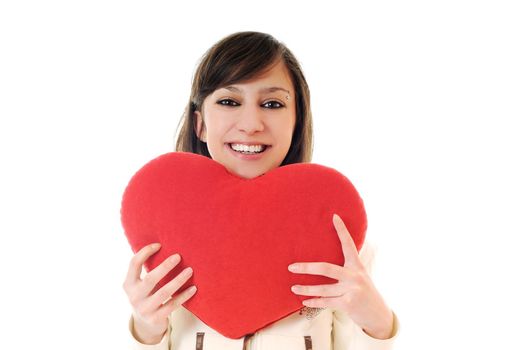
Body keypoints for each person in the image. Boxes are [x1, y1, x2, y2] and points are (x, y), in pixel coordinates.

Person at [122, 31, 398, 349]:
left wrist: (377, 322)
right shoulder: (161, 235)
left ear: (296, 122)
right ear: (200, 124)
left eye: (272, 103)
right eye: (229, 101)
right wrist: (146, 328)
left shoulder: (341, 241)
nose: (251, 123)